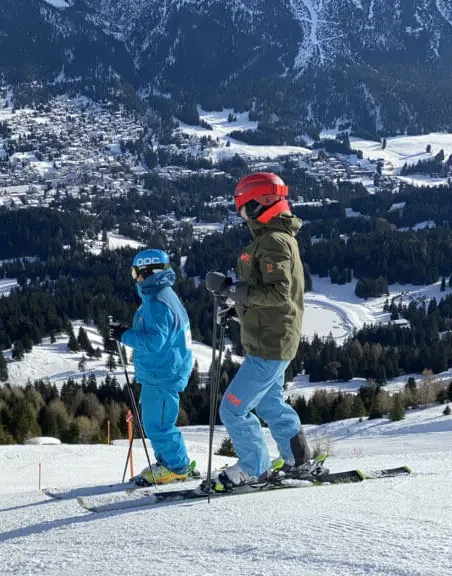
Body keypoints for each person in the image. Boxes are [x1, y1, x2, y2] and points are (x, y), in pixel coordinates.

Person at [204, 172, 318, 491]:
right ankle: (298, 459)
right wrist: (234, 300)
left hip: (270, 343)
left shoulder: (274, 241)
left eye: (243, 208)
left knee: (233, 408)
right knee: (270, 404)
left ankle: (254, 468)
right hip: (271, 339)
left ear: (261, 204)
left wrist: (232, 289)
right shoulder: (270, 238)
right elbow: (260, 292)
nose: (241, 215)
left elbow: (278, 293)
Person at [109, 249, 197, 485]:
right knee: (156, 421)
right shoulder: (162, 295)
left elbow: (153, 342)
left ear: (149, 272)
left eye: (136, 273)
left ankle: (176, 467)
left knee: (158, 424)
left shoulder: (157, 303)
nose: (135, 278)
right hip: (165, 369)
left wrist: (123, 335)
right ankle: (170, 462)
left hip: (163, 373)